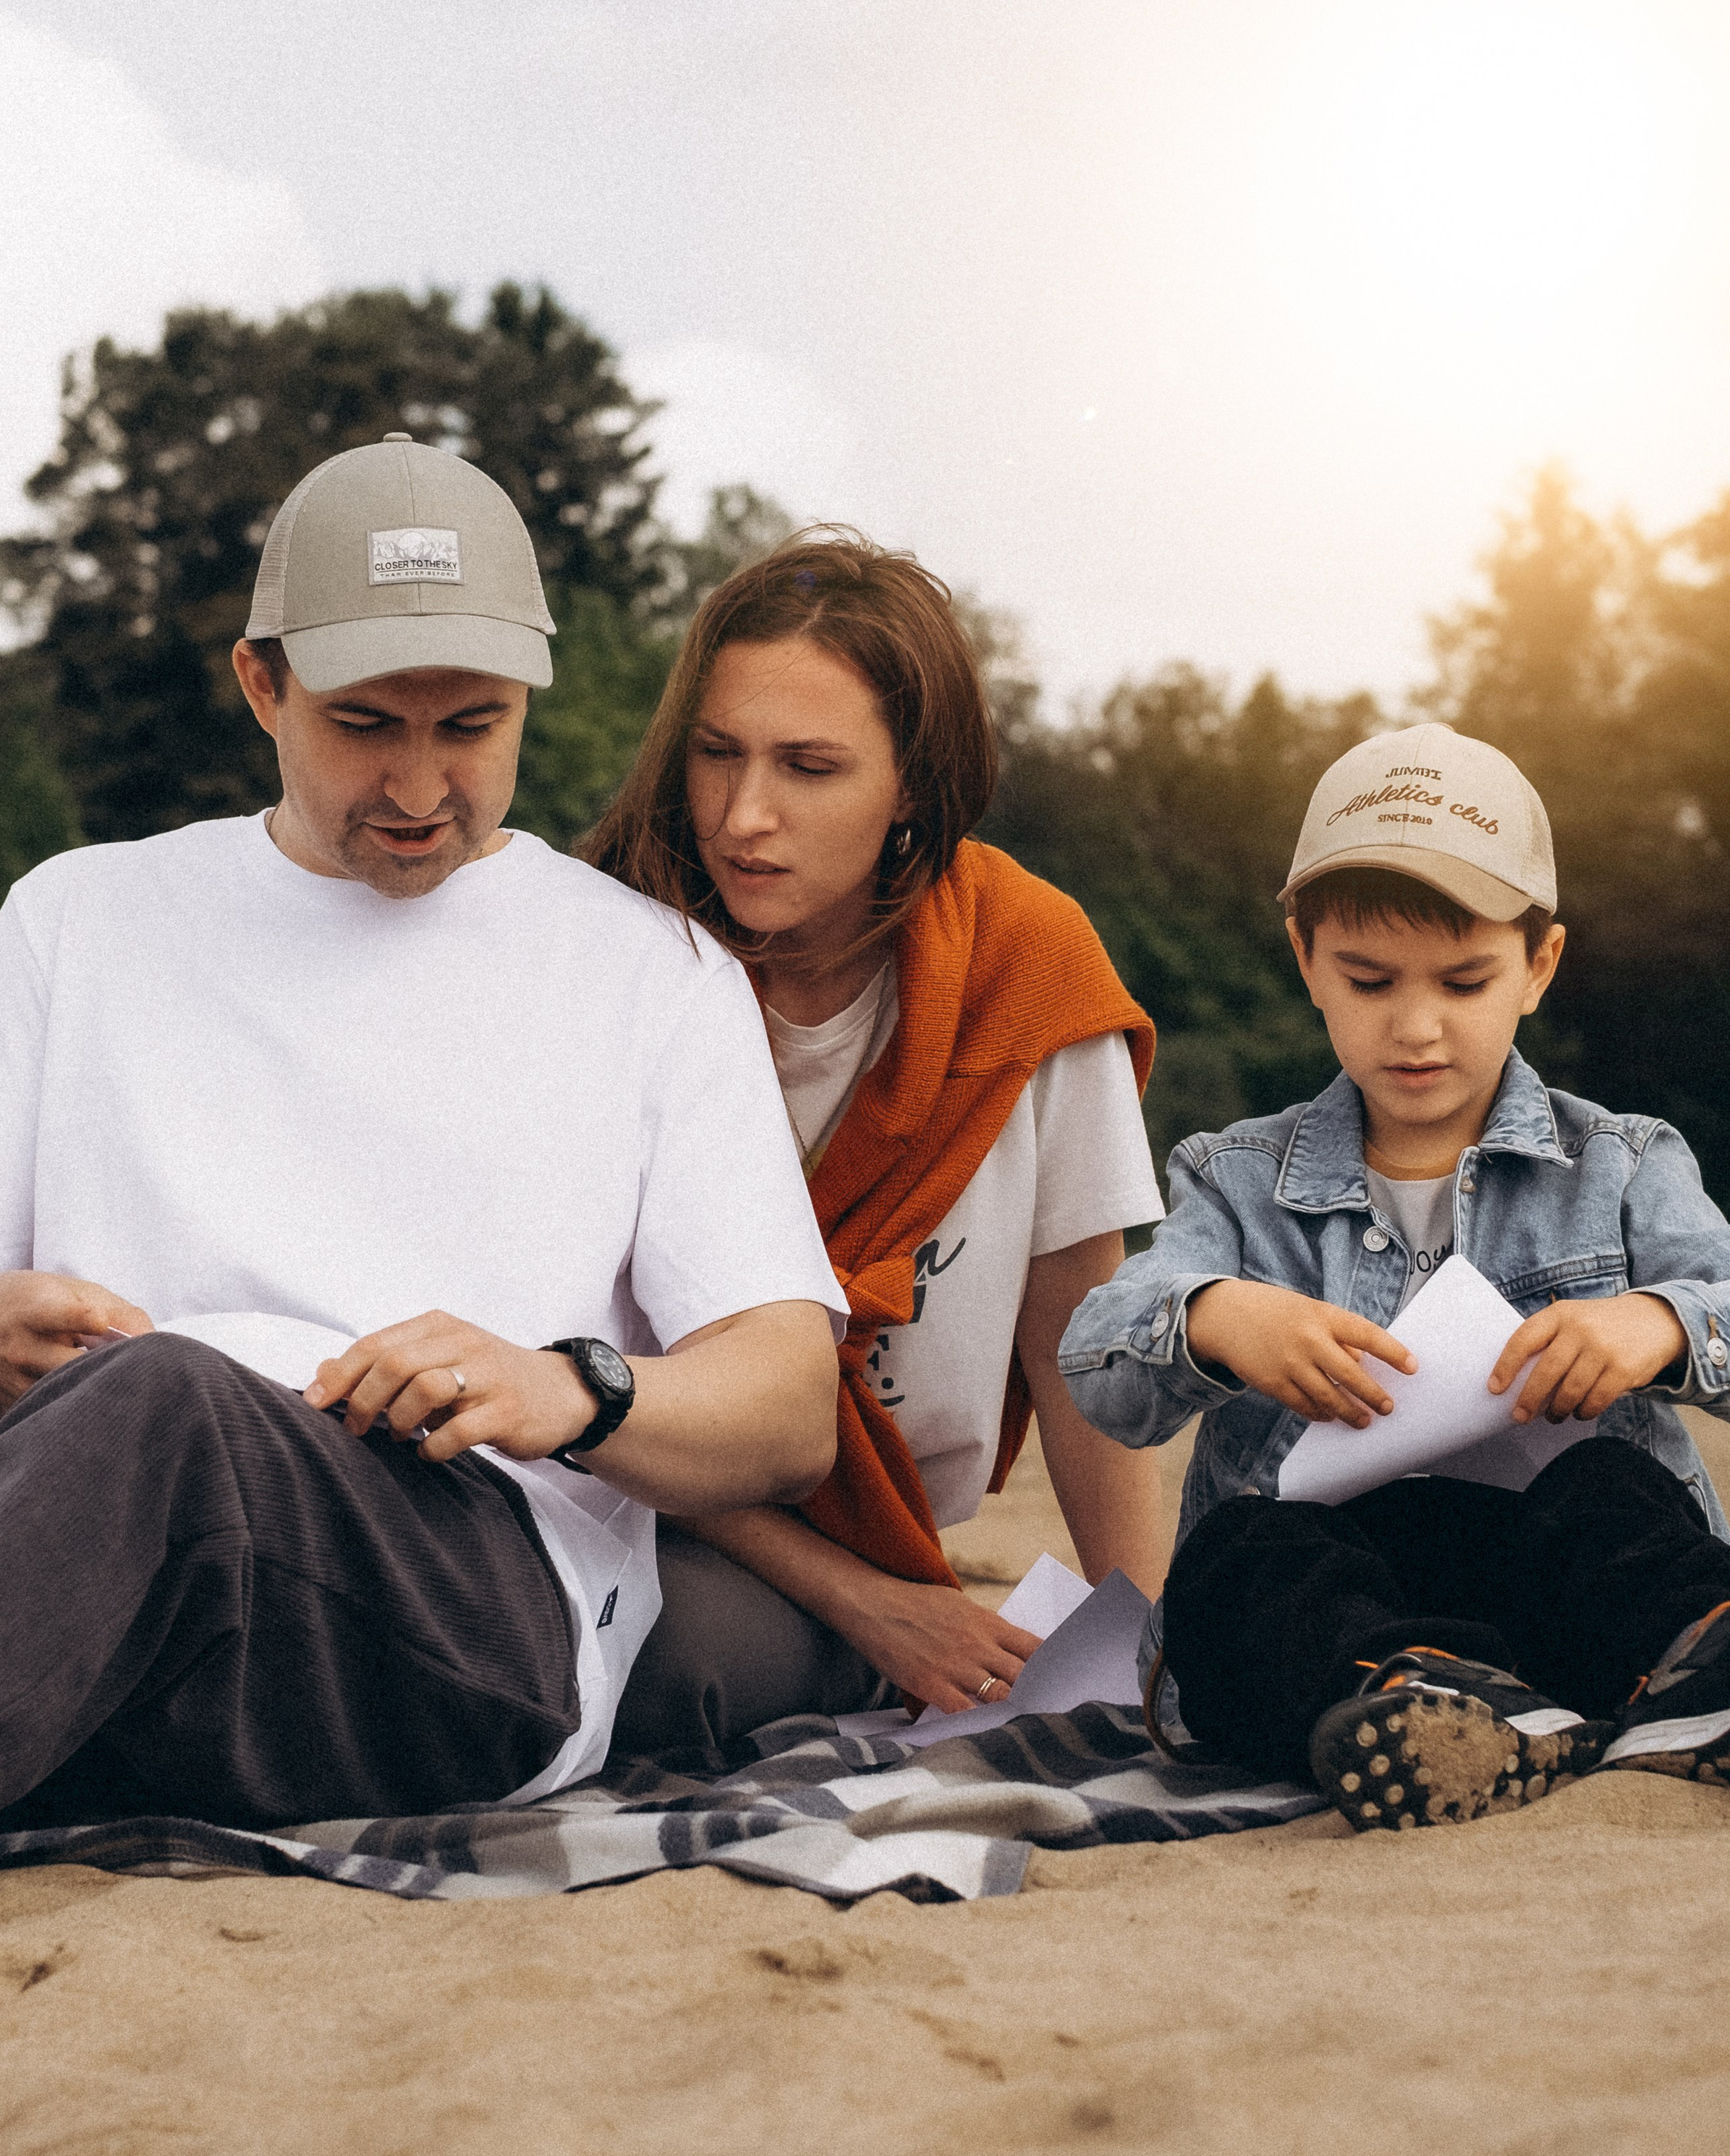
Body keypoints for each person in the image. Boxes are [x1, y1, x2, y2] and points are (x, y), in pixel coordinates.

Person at [0, 433, 844, 1890]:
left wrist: (565, 1386)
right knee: (79, 1420)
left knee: (164, 1409)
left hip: (463, 1590)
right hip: (89, 1512)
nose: (418, 781)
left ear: (529, 692)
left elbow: (788, 1401)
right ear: (260, 683)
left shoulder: (653, 974)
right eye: (365, 721)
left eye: (470, 724)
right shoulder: (80, 915)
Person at [1059, 722, 1730, 1829]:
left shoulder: (1624, 1163)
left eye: (1465, 980)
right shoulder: (1233, 1179)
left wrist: (1661, 1322)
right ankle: (1424, 1713)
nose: (1417, 1026)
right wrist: (1217, 1314)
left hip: (1568, 1604)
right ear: (1305, 957)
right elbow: (1097, 1365)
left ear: (1539, 965)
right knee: (1239, 1557)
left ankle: (1690, 1672)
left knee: (1614, 1498)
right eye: (1369, 979)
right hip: (1349, 1635)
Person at [585, 532, 1171, 1763]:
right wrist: (876, 1609)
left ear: (913, 786)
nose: (744, 816)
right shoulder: (602, 947)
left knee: (680, 1663)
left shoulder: (1028, 964)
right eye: (717, 752)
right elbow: (578, 1373)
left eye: (810, 766)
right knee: (639, 1654)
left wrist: (1148, 1648)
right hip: (617, 1490)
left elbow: (1080, 1348)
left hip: (872, 1538)